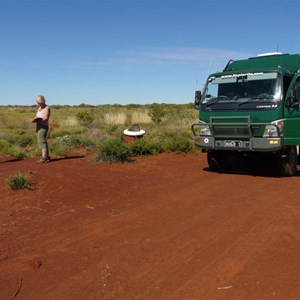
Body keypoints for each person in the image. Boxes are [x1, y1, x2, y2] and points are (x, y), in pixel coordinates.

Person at [33, 95, 51, 163]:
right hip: (38, 126)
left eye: (40, 102)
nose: (39, 104)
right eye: (38, 103)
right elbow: (36, 115)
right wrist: (35, 119)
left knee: (42, 141)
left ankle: (44, 157)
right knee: (43, 141)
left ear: (43, 101)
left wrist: (39, 120)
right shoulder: (39, 108)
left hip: (43, 126)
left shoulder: (47, 108)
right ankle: (47, 156)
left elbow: (46, 118)